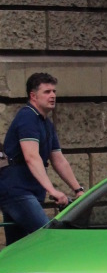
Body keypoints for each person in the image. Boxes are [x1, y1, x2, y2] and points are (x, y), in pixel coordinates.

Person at [0, 72, 83, 245]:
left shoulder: (46, 123)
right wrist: (53, 191)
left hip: (29, 191)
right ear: (33, 95)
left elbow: (58, 159)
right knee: (49, 238)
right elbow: (31, 157)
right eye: (46, 92)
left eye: (54, 91)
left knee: (19, 248)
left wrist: (78, 190)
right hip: (17, 191)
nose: (52, 95)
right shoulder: (27, 117)